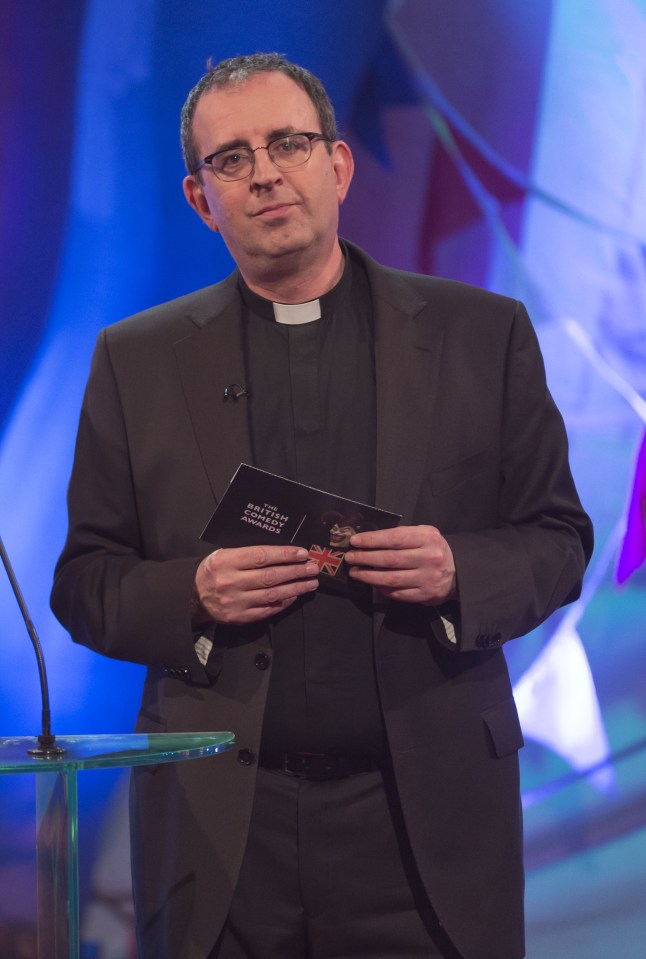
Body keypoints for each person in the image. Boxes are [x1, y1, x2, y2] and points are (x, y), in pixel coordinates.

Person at [51, 53, 593, 959]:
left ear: (336, 166)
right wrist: (196, 592)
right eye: (232, 159)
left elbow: (559, 537)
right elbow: (85, 579)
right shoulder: (133, 361)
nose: (264, 172)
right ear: (199, 198)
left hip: (425, 829)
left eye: (288, 143)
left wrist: (461, 570)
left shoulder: (481, 334)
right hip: (223, 833)